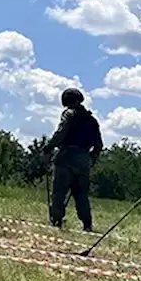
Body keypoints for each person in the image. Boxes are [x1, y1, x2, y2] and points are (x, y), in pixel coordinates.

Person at [43, 87, 103, 231]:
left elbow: (60, 134)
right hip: (84, 160)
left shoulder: (69, 114)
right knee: (81, 194)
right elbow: (99, 145)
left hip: (66, 157)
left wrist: (47, 149)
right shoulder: (92, 120)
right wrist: (90, 160)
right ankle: (87, 224)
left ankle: (56, 220)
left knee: (59, 191)